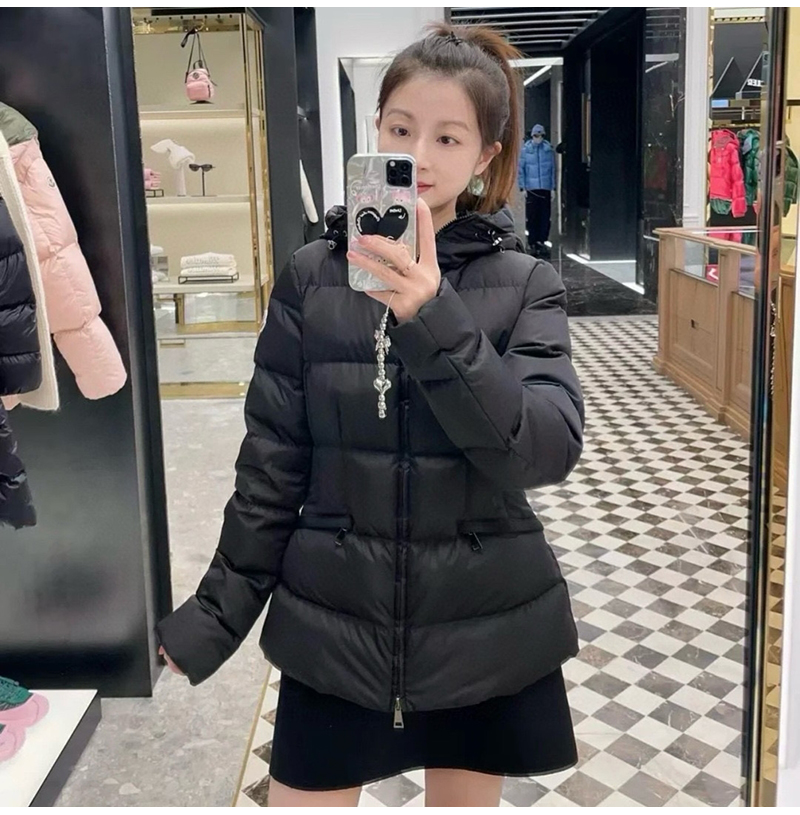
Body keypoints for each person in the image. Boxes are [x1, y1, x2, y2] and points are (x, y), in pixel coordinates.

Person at [156, 24, 584, 808]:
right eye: (400, 129)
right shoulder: (312, 278)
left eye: (447, 137)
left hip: (482, 627)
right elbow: (272, 464)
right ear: (375, 130)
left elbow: (542, 449)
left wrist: (434, 313)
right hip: (335, 628)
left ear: (485, 155)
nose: (419, 154)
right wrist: (214, 618)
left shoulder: (527, 283)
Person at [518, 123, 556, 257]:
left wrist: (552, 188)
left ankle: (542, 241)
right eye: (535, 135)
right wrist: (522, 187)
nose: (538, 138)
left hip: (545, 188)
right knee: (532, 216)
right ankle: (532, 242)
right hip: (531, 189)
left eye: (540, 135)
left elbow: (552, 170)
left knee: (545, 217)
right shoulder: (525, 150)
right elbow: (521, 169)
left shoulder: (548, 150)